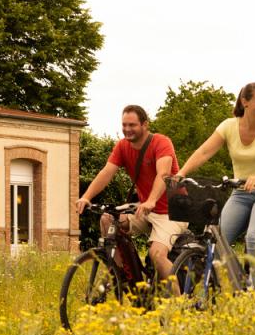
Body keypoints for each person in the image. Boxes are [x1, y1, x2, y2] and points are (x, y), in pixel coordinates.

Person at [176, 82, 255, 287]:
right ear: (245, 102)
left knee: (254, 238)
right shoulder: (228, 126)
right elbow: (204, 152)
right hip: (242, 193)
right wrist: (182, 172)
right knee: (217, 241)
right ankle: (234, 284)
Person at [76, 105, 187, 281]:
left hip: (172, 212)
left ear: (145, 125)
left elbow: (163, 174)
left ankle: (179, 303)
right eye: (124, 125)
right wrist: (86, 196)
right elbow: (106, 173)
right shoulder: (122, 147)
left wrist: (151, 200)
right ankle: (124, 277)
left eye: (132, 125)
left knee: (157, 255)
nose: (127, 129)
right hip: (144, 210)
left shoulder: (161, 142)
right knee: (107, 219)